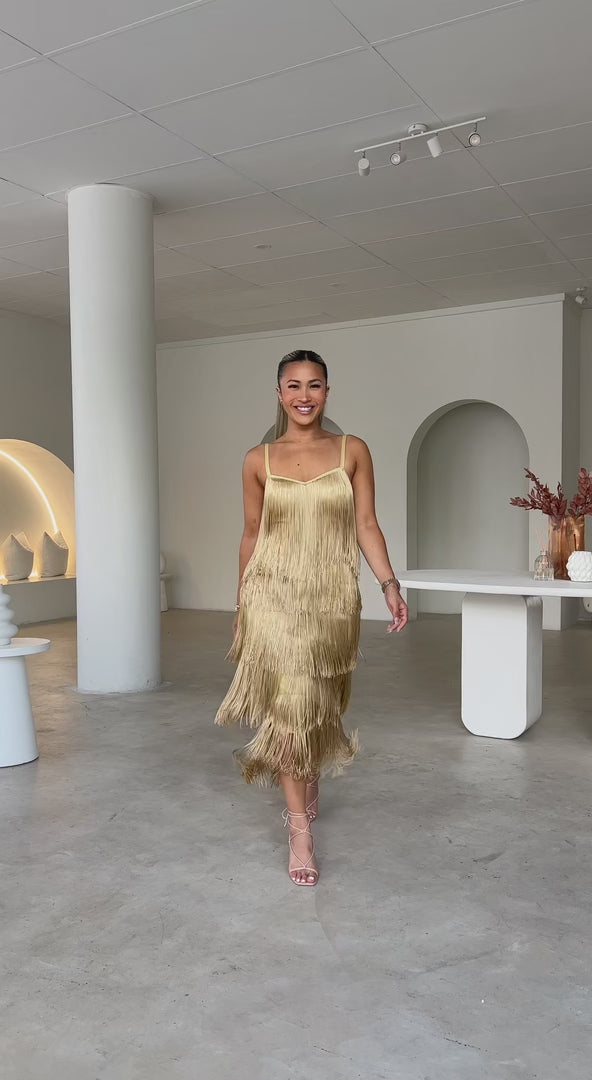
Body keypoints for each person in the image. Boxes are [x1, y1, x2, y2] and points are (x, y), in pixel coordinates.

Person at [215, 349, 408, 885]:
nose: (304, 395)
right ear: (279, 393)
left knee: (319, 700)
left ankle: (309, 763)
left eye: (315, 385)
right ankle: (299, 830)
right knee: (289, 706)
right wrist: (241, 604)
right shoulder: (258, 460)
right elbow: (250, 535)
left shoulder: (352, 450)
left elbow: (366, 524)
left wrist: (389, 583)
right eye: (294, 385)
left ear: (327, 391)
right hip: (271, 597)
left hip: (331, 598)